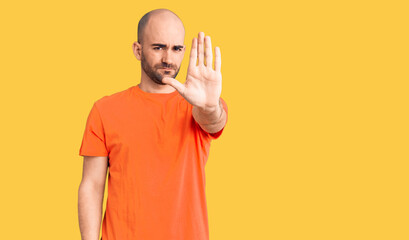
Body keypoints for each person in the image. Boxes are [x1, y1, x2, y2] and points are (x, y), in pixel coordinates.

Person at [78, 8, 228, 240]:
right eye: (158, 47)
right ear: (138, 50)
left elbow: (214, 122)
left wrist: (209, 108)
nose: (168, 58)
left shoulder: (200, 106)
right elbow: (92, 186)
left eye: (176, 48)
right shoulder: (104, 110)